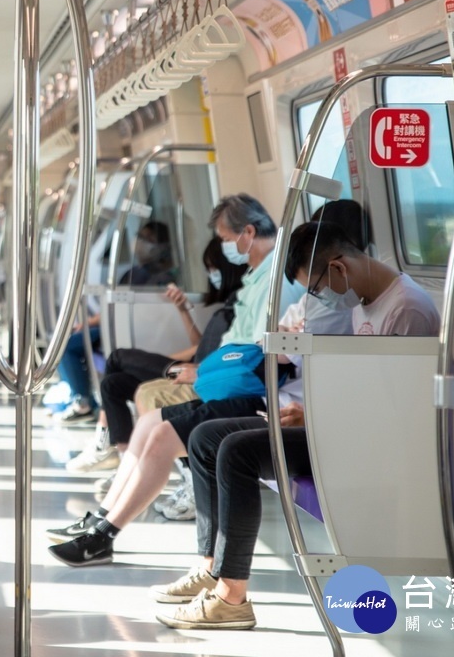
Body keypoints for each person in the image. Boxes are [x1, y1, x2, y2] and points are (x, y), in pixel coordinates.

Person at [153, 219, 441, 630]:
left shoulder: (406, 309)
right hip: (342, 427)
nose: (320, 299)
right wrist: (315, 412)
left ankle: (230, 598)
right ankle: (213, 565)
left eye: (318, 288)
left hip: (368, 443)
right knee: (205, 437)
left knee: (236, 452)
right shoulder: (364, 300)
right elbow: (364, 387)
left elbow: (399, 410)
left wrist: (318, 415)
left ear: (339, 268)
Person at [47, 194, 302, 565]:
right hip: (225, 378)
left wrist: (203, 370)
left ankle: (106, 534)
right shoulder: (256, 277)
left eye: (227, 239)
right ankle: (103, 516)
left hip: (248, 390)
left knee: (161, 434)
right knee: (149, 421)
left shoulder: (278, 283)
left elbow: (259, 355)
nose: (226, 248)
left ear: (248, 232)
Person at [65, 238, 247, 518]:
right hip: (190, 364)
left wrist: (166, 365)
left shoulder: (240, 309)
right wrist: (182, 312)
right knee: (113, 384)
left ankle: (106, 442)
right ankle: (127, 463)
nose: (212, 273)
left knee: (117, 358)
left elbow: (217, 357)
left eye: (213, 267)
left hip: (200, 372)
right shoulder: (224, 308)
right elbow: (201, 346)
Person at [55, 221, 176, 425]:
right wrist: (88, 323)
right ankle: (81, 396)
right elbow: (113, 307)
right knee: (68, 343)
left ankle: (84, 402)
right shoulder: (133, 273)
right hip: (112, 325)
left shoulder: (163, 277)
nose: (141, 243)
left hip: (133, 327)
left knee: (68, 347)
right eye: (141, 237)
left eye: (149, 240)